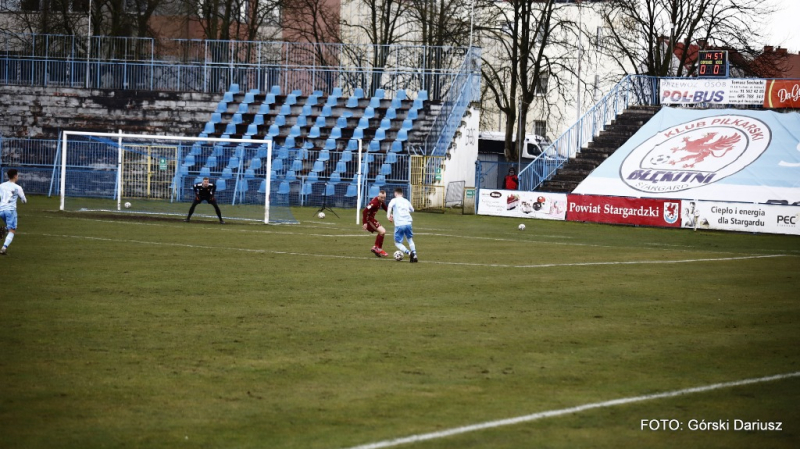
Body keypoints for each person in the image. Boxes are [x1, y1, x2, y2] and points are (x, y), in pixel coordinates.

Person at [0, 169, 28, 256]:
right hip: (11, 211)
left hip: (1, 210)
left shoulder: (1, 185)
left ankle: (3, 230)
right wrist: (21, 199)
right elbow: (24, 200)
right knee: (12, 230)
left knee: (9, 227)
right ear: (15, 176)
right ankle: (4, 248)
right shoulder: (18, 187)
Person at [387, 188, 418, 263]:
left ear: (395, 193)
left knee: (397, 243)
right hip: (408, 223)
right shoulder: (406, 201)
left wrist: (388, 216)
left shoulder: (394, 200)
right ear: (402, 194)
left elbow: (390, 206)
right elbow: (412, 210)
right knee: (409, 239)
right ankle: (415, 254)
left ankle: (409, 253)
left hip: (400, 224)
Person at [362, 189, 389, 257]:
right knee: (382, 231)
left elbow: (384, 206)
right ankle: (377, 248)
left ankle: (376, 248)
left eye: (384, 198)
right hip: (369, 220)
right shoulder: (374, 203)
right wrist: (365, 223)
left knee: (382, 232)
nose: (383, 199)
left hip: (371, 219)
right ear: (378, 196)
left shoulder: (380, 201)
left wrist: (389, 214)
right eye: (381, 197)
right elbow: (364, 211)